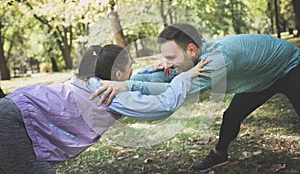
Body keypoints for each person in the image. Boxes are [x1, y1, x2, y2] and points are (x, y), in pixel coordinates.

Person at [93, 23, 300, 172]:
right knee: (232, 116)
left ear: (191, 50)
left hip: (289, 66)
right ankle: (220, 155)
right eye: (165, 57)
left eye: (171, 57)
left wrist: (126, 85)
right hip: (261, 78)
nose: (167, 62)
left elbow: (172, 92)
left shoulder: (214, 63)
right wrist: (134, 78)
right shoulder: (195, 55)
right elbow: (171, 77)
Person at [0, 44, 211, 174]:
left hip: (15, 108)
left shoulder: (94, 81)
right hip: (12, 122)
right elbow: (164, 106)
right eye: (131, 66)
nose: (133, 70)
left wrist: (157, 72)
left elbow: (133, 80)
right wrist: (185, 76)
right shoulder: (110, 95)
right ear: (118, 75)